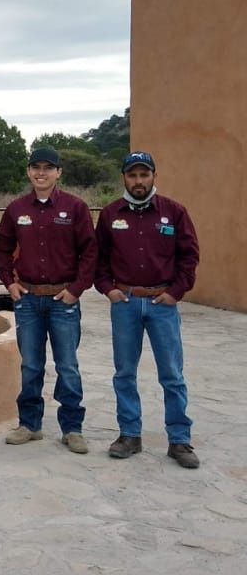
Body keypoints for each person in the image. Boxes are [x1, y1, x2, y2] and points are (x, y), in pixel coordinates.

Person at [95, 151, 201, 469]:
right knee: (124, 373)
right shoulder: (111, 214)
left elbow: (189, 256)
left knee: (172, 375)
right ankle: (130, 435)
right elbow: (98, 259)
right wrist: (109, 290)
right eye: (132, 175)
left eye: (144, 174)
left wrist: (176, 292)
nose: (138, 181)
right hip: (125, 303)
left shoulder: (174, 212)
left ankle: (179, 440)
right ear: (124, 178)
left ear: (154, 175)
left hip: (162, 305)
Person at [0, 148, 96, 454]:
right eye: (36, 167)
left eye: (48, 168)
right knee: (31, 366)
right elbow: (3, 250)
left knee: (67, 366)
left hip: (63, 300)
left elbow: (90, 252)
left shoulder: (75, 208)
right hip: (28, 301)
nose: (42, 173)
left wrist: (76, 289)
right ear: (28, 172)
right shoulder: (15, 210)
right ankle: (30, 425)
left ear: (58, 173)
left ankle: (72, 428)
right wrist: (9, 282)